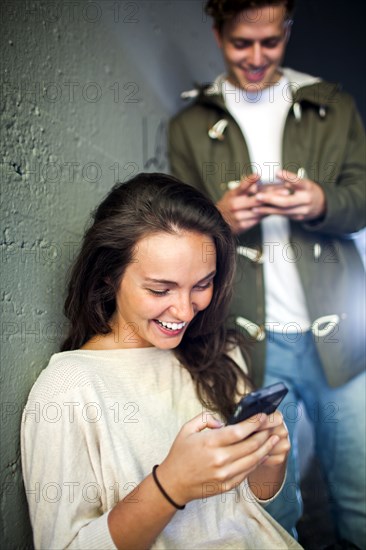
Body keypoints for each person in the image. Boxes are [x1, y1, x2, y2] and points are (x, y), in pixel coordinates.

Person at [168, 0, 366, 546]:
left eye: (271, 42)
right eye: (241, 43)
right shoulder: (189, 123)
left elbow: (363, 199)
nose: (256, 58)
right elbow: (176, 233)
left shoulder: (333, 104)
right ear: (217, 33)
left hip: (342, 335)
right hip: (253, 341)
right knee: (272, 506)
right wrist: (218, 219)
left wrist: (322, 200)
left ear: (288, 32)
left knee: (360, 492)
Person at [21, 172, 302, 550]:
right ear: (109, 277)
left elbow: (252, 515)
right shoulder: (68, 388)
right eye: (160, 289)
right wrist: (170, 486)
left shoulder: (219, 352)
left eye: (202, 284)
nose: (186, 310)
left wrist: (269, 465)